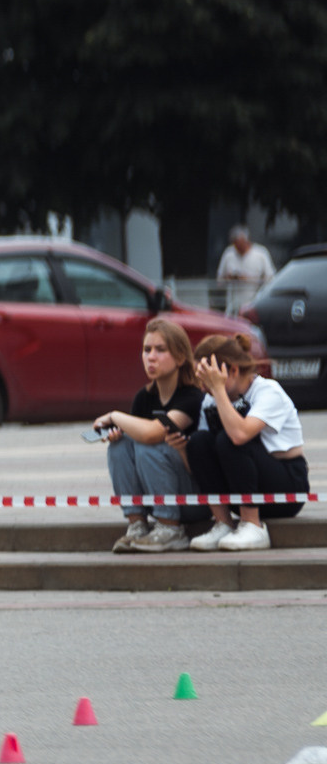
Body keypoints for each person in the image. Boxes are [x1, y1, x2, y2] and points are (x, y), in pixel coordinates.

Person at [183, 333, 307, 552]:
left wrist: (219, 390)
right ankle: (223, 523)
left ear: (232, 370)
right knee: (199, 442)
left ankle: (253, 525)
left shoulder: (268, 391)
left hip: (285, 488)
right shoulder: (211, 399)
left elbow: (240, 435)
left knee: (230, 439)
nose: (204, 387)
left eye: (209, 378)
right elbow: (203, 457)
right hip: (241, 486)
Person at [91, 317, 197, 554]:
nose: (151, 356)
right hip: (153, 493)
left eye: (161, 350)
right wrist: (121, 434)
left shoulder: (191, 396)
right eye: (146, 350)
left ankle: (171, 529)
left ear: (180, 358)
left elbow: (152, 434)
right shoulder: (143, 397)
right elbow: (138, 435)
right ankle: (137, 525)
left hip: (193, 497)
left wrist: (115, 416)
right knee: (120, 447)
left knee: (148, 445)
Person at [216, 226, 277, 318]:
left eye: (240, 245)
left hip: (253, 305)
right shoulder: (229, 253)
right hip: (233, 306)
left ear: (246, 241)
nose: (238, 249)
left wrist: (248, 279)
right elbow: (219, 280)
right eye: (236, 245)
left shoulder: (261, 253)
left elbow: (271, 279)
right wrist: (229, 278)